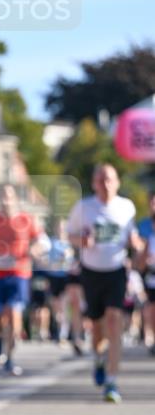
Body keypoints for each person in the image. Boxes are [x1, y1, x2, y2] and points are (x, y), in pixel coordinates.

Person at [67, 164, 140, 402]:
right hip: (91, 272)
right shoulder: (84, 207)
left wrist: (136, 244)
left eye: (109, 180)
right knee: (97, 327)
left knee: (114, 320)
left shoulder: (126, 207)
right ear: (94, 184)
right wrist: (81, 240)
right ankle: (98, 359)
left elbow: (132, 237)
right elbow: (70, 234)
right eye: (101, 180)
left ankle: (112, 381)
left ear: (117, 182)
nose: (105, 185)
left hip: (116, 270)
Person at [0, 184, 40, 376]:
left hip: (18, 273)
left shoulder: (26, 219)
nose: (6, 199)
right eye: (2, 195)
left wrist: (35, 250)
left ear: (15, 198)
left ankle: (11, 357)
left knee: (14, 315)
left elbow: (41, 240)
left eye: (9, 195)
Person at [136, 189, 155, 354]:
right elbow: (139, 247)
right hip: (149, 270)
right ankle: (150, 336)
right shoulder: (144, 225)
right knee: (150, 305)